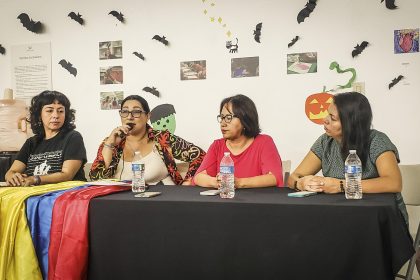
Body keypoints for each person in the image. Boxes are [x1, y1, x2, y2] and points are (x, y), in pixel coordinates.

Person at [288, 91, 408, 222]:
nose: (325, 120)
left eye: (333, 118)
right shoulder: (325, 141)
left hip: (378, 217)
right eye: (327, 114)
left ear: (351, 123)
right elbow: (293, 177)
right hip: (340, 214)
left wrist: (342, 185)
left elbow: (394, 183)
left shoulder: (377, 140)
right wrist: (301, 183)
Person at [89, 95, 206, 185]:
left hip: (161, 201)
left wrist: (188, 182)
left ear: (147, 116)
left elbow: (200, 155)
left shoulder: (162, 138)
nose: (129, 116)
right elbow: (96, 180)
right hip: (123, 203)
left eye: (136, 112)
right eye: (125, 112)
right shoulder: (111, 141)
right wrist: (109, 144)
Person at [194, 94, 283, 188]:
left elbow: (274, 178)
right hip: (225, 201)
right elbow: (198, 177)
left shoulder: (264, 142)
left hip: (256, 201)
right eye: (221, 117)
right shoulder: (217, 145)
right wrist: (217, 182)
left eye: (228, 118)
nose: (223, 123)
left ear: (245, 119)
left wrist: (239, 183)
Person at [5, 90, 87, 186]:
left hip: (67, 194)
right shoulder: (31, 142)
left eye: (60, 111)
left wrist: (35, 179)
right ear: (39, 115)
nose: (56, 115)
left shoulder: (73, 137)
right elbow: (12, 171)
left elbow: (67, 175)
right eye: (49, 110)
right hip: (35, 194)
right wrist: (12, 176)